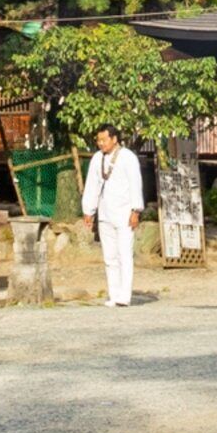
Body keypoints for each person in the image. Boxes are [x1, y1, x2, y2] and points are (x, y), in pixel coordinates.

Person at [76, 124, 147, 306]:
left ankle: (125, 295)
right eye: (98, 140)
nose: (101, 143)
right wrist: (88, 210)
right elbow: (92, 185)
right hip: (105, 213)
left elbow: (135, 184)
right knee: (109, 256)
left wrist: (136, 210)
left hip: (124, 212)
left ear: (114, 139)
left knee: (124, 254)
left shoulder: (128, 157)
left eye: (104, 140)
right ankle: (114, 294)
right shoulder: (97, 158)